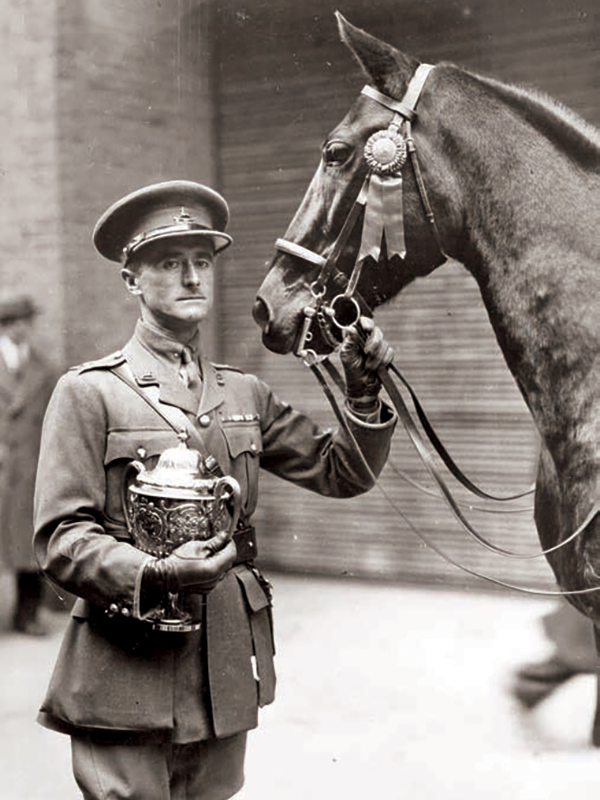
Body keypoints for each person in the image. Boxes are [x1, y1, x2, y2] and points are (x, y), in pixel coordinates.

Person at [33, 180, 397, 800]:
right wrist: (159, 572)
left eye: (202, 262)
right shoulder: (89, 392)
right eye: (171, 263)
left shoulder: (242, 394)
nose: (193, 277)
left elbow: (342, 472)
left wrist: (362, 392)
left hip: (221, 671)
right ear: (132, 280)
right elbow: (61, 540)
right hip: (126, 672)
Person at [0, 293, 57, 635]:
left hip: (30, 470)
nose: (25, 328)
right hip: (2, 467)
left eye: (27, 321)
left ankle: (27, 616)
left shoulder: (44, 369)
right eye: (19, 322)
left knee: (28, 543)